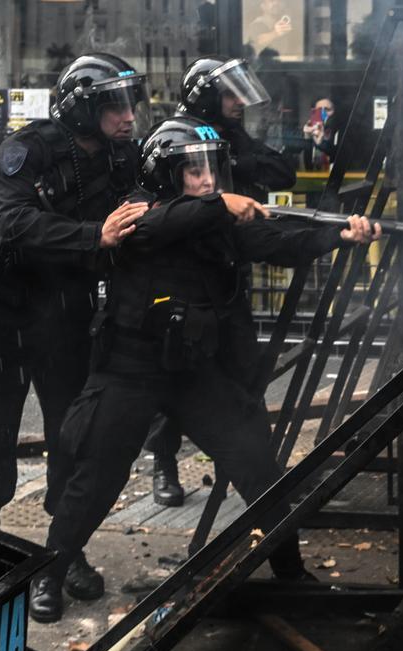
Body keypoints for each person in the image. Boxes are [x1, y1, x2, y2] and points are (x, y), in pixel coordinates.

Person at [28, 116, 381, 622]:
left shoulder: (215, 223)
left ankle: (291, 572)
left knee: (256, 463)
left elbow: (275, 241)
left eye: (211, 169)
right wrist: (217, 206)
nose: (206, 180)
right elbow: (158, 226)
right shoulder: (136, 213)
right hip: (129, 371)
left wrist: (340, 236)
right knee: (96, 479)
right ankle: (50, 573)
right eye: (192, 171)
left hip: (190, 372)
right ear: (167, 175)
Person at [0, 54, 150, 603]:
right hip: (1, 308)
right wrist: (95, 237)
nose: (127, 115)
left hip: (64, 311)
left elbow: (153, 199)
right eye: (113, 104)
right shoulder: (28, 148)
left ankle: (64, 554)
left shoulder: (122, 157)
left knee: (72, 428)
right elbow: (14, 222)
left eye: (129, 102)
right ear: (84, 107)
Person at [141, 55, 298, 508]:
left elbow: (280, 171)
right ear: (205, 95)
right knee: (182, 373)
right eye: (227, 93)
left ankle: (256, 471)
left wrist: (239, 155)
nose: (236, 102)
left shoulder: (231, 137)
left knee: (244, 373)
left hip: (228, 270)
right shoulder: (174, 139)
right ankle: (163, 464)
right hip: (183, 281)